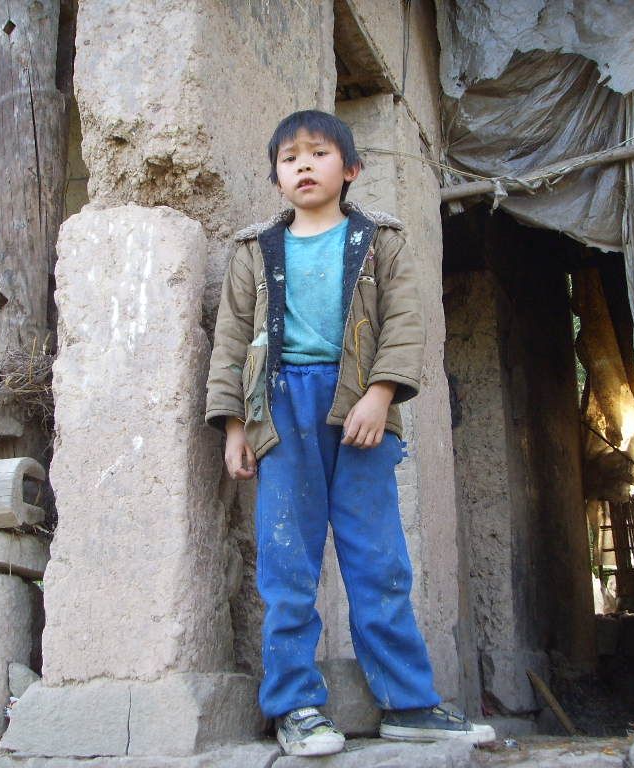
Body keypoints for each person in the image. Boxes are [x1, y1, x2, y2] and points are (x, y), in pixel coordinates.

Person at [205, 110, 496, 757]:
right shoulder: (255, 251)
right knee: (287, 562)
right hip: (280, 414)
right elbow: (230, 342)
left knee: (379, 560)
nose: (303, 166)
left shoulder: (380, 240)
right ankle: (295, 705)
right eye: (289, 159)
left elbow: (405, 321)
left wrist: (380, 393)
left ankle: (408, 703)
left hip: (361, 409)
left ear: (352, 169)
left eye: (318, 153)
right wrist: (234, 426)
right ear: (277, 178)